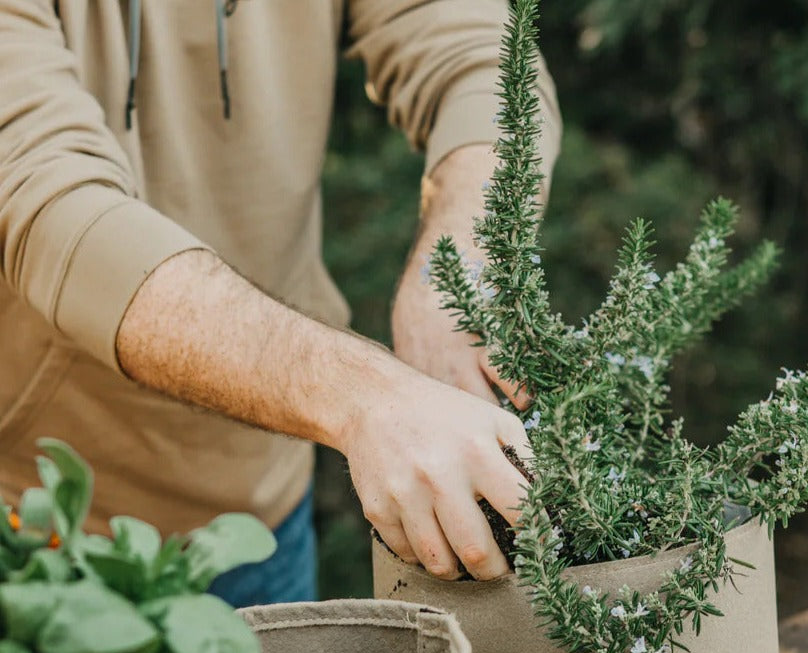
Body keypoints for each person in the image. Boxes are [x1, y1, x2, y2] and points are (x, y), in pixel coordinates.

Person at [0, 0, 561, 606]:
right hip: (38, 524)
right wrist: (359, 392)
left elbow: (480, 55)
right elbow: (46, 201)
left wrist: (456, 273)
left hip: (265, 513)